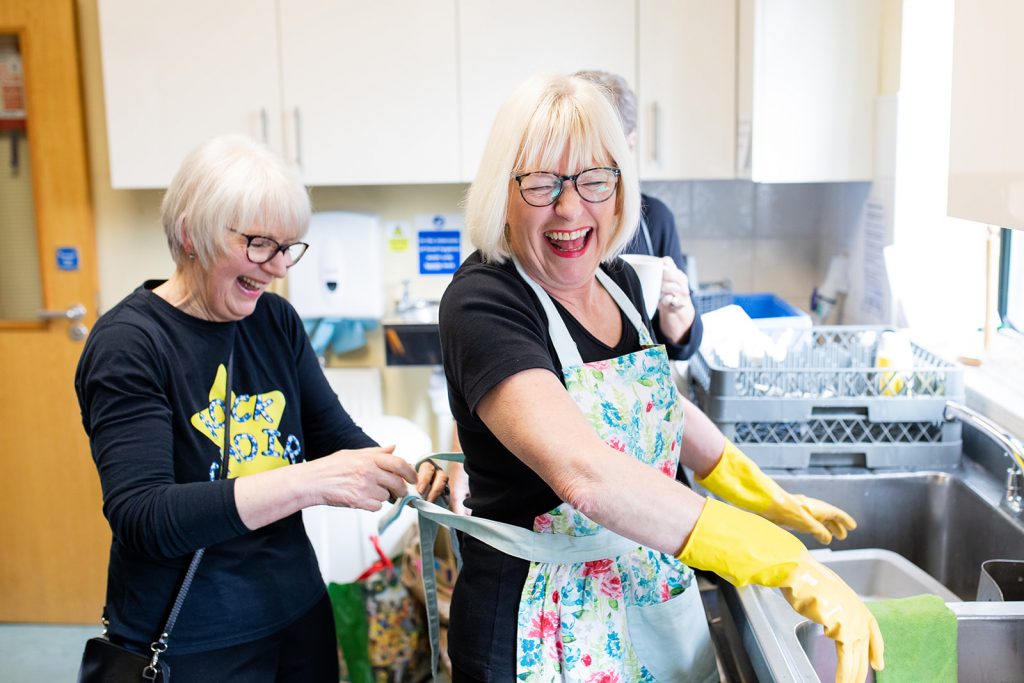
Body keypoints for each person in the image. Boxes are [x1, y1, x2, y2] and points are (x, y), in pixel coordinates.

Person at [437, 74, 882, 683]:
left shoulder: (616, 279)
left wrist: (755, 489)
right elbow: (586, 472)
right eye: (541, 183)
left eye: (594, 179)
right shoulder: (485, 301)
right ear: (501, 193)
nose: (571, 208)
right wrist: (776, 559)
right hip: (538, 621)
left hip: (644, 588)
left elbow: (651, 403)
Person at [74, 135, 446, 682]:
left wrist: (415, 474)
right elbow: (144, 516)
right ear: (189, 234)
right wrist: (310, 482)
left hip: (295, 613)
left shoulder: (275, 322)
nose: (277, 268)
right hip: (189, 639)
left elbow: (335, 436)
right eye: (258, 244)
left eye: (289, 247)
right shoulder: (130, 343)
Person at [575, 69, 702, 360]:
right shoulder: (557, 220)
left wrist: (677, 306)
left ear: (629, 143)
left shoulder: (654, 219)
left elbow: (681, 347)